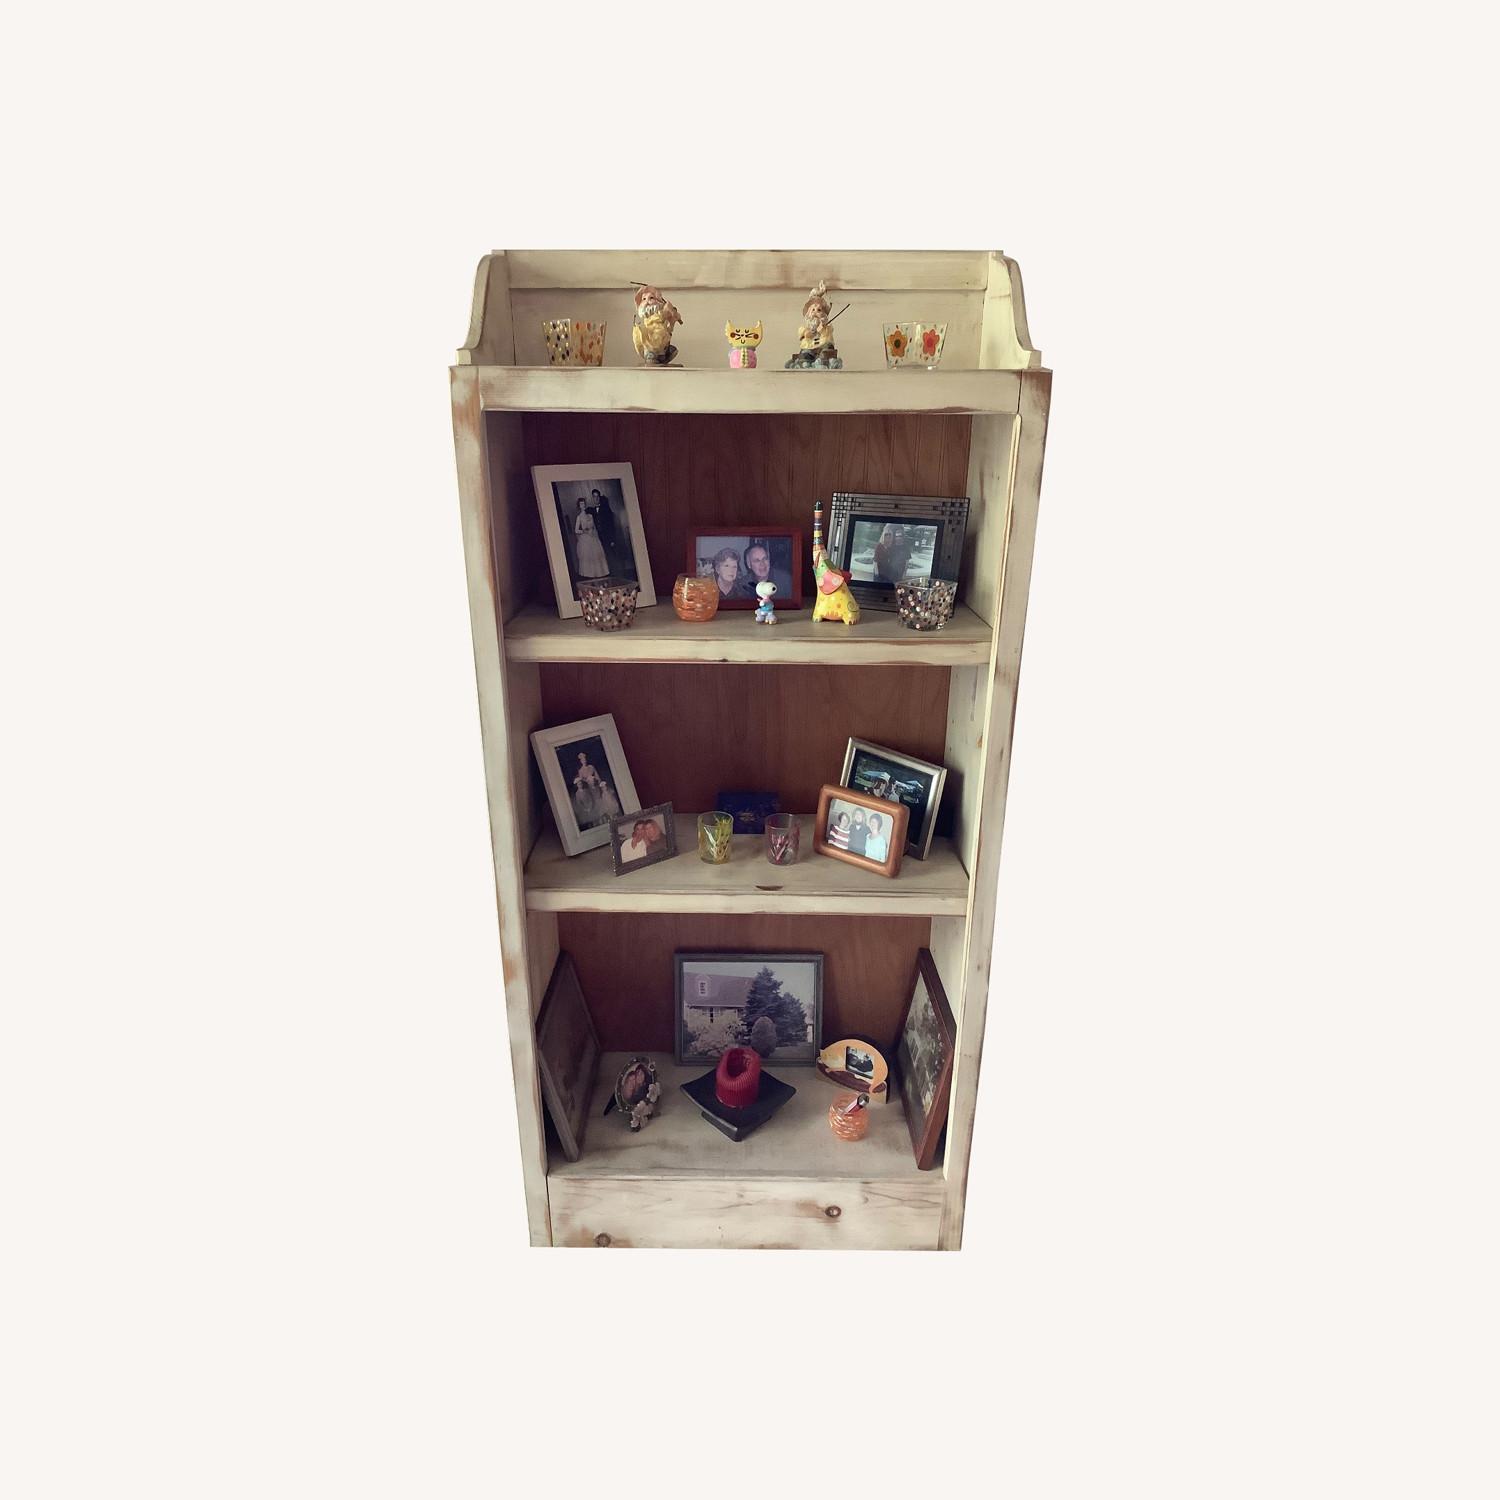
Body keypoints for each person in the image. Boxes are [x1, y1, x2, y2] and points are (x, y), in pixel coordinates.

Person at [572, 498, 610, 579]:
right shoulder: (579, 517)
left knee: (596, 556)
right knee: (588, 556)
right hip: (585, 539)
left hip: (593, 537)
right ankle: (590, 575)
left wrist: (594, 533)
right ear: (579, 506)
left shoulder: (590, 516)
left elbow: (594, 527)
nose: (583, 505)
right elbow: (576, 530)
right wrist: (584, 531)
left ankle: (599, 573)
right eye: (581, 504)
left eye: (584, 503)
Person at [587, 487, 619, 563]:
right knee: (604, 556)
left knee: (612, 555)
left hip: (608, 536)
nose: (596, 498)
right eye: (594, 496)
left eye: (597, 496)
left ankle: (616, 568)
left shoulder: (606, 509)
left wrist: (612, 539)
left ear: (599, 497)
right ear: (592, 498)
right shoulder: (592, 510)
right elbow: (586, 511)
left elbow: (611, 525)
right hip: (598, 537)